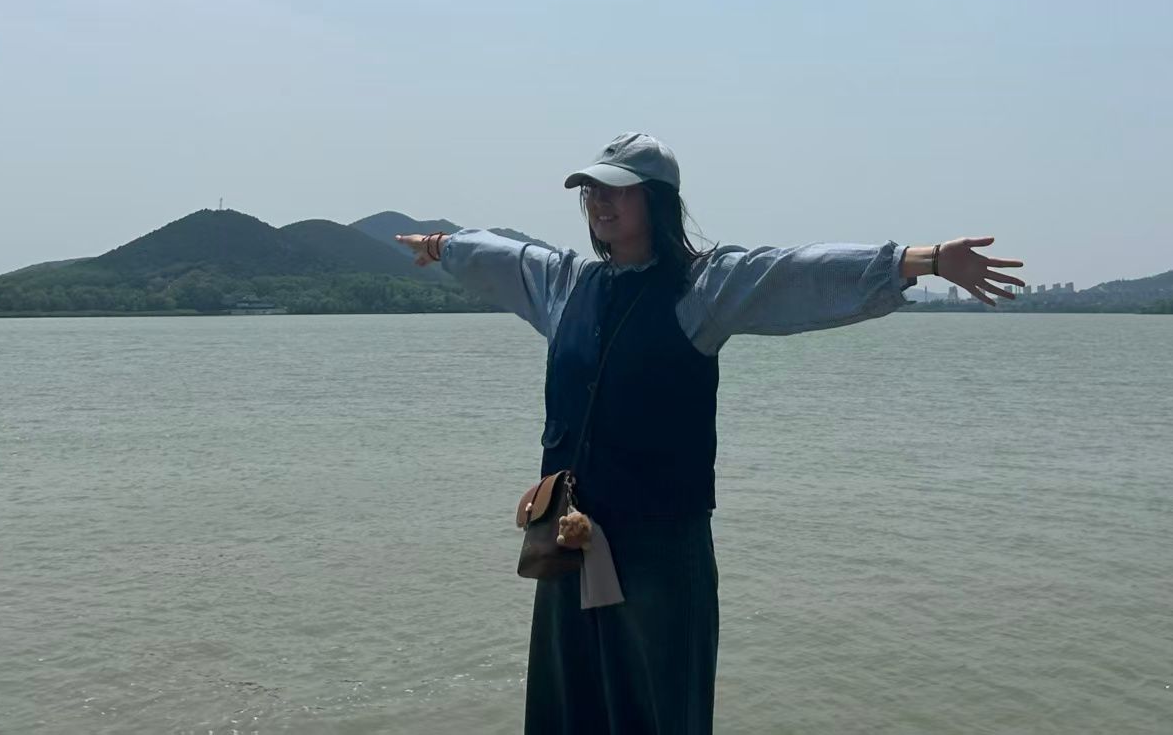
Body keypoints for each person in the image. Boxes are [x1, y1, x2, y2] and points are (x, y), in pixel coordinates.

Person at [396, 132, 1023, 735]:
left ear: (657, 201)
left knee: (660, 706)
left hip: (659, 547)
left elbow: (793, 273)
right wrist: (442, 245)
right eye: (592, 190)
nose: (601, 201)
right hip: (566, 536)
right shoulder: (568, 286)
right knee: (569, 703)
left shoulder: (702, 288)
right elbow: (504, 256)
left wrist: (925, 259)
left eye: (618, 189)